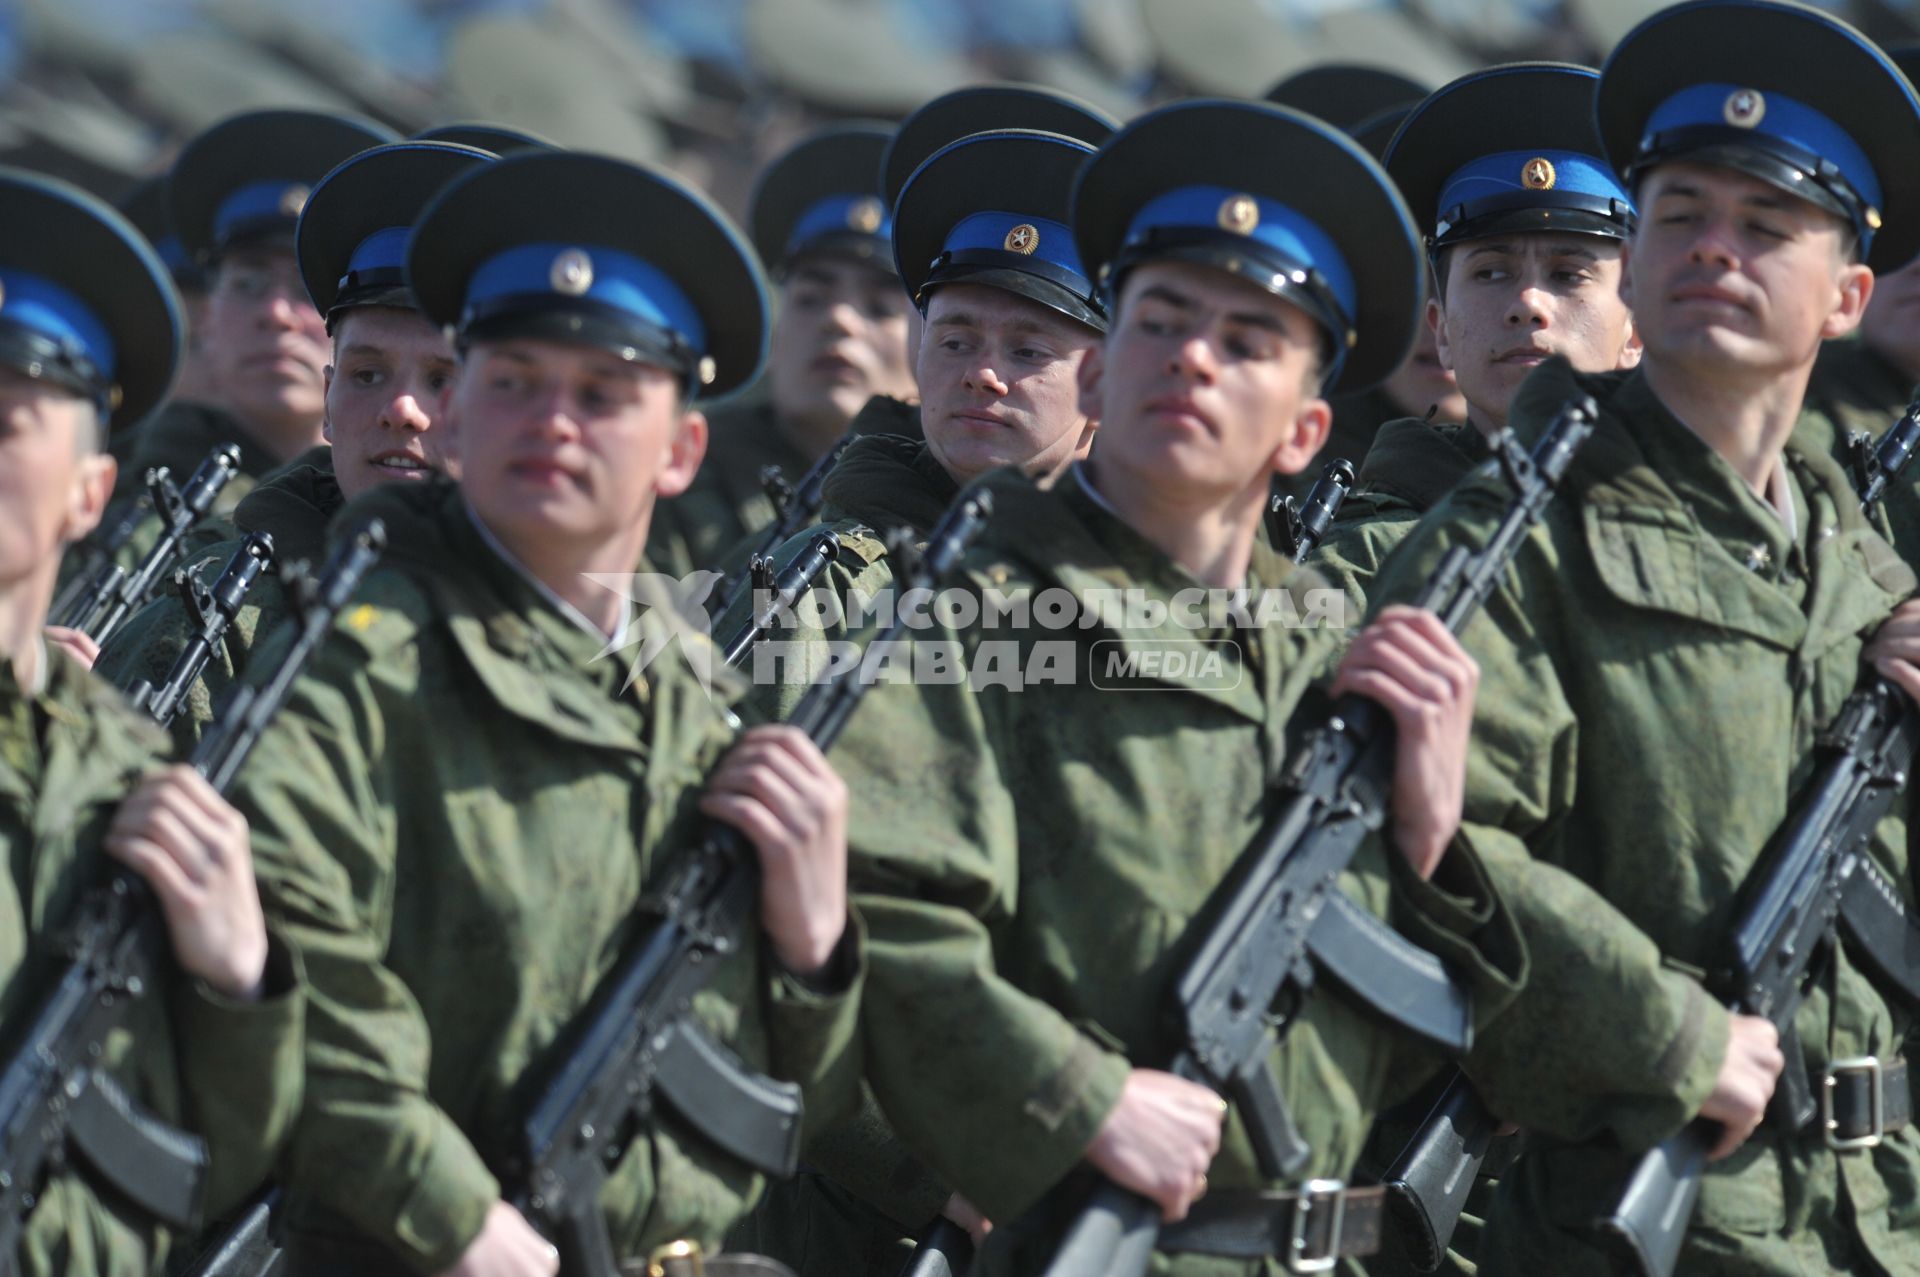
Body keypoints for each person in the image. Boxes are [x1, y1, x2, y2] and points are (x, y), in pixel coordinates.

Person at [833, 99, 1525, 1276]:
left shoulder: (1340, 653)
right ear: (1105, 369)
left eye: (1247, 339)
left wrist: (1431, 841)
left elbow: (1422, 1049)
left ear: (1308, 427)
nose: (1194, 358)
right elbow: (866, 924)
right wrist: (1074, 1098)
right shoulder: (959, 617)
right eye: (1163, 319)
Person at [232, 149, 863, 1276]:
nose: (553, 423)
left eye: (601, 394)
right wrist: (459, 1217)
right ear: (461, 415)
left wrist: (815, 946)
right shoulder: (352, 668)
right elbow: (295, 981)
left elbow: (774, 1085)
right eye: (515, 380)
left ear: (680, 450)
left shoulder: (696, 695)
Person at [1364, 3, 1920, 1271]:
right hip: (1640, 1224)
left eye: (1764, 228)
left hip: (1878, 1225)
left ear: (1845, 295)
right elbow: (1436, 848)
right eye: (1679, 216)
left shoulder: (1864, 568)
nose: (1715, 250)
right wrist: (1670, 1035)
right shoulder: (1508, 538)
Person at [0, 166, 304, 1277]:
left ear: (89, 493)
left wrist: (238, 983)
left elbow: (223, 1143)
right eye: (247, 281)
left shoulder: (139, 777)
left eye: (3, 424)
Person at [94, 140, 495, 750]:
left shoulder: (604, 631)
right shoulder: (214, 621)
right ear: (329, 398)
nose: (401, 411)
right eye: (367, 375)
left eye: (444, 379)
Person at [1312, 62, 1641, 613]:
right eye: (1490, 273)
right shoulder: (1358, 572)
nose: (1528, 304)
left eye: (1568, 274)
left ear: (1638, 328)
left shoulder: (1719, 531)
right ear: (1441, 331)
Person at [646, 124, 918, 578]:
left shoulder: (955, 502)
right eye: (811, 299)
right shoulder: (676, 478)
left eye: (879, 306)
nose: (840, 320)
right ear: (775, 335)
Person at [114, 109, 396, 516]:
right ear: (208, 318)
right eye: (248, 284)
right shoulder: (134, 515)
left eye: (309, 288)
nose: (278, 314)